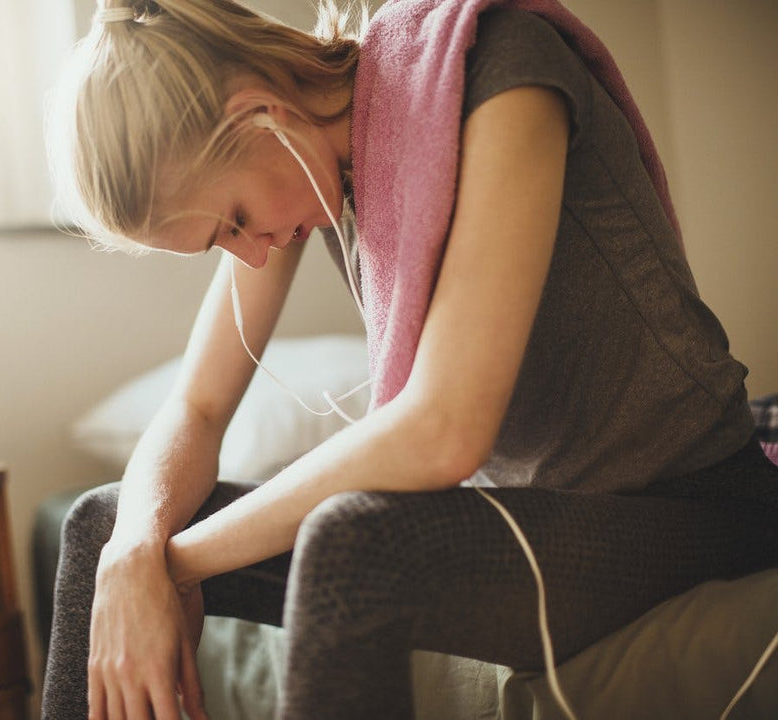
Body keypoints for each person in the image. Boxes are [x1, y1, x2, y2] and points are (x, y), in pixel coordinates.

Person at [42, 1, 778, 718]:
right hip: (529, 518)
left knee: (350, 543)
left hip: (692, 505)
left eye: (234, 221)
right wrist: (132, 556)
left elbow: (443, 428)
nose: (251, 253)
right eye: (222, 242)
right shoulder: (306, 161)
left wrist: (172, 568)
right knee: (104, 522)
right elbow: (196, 408)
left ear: (259, 112)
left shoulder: (499, 67)